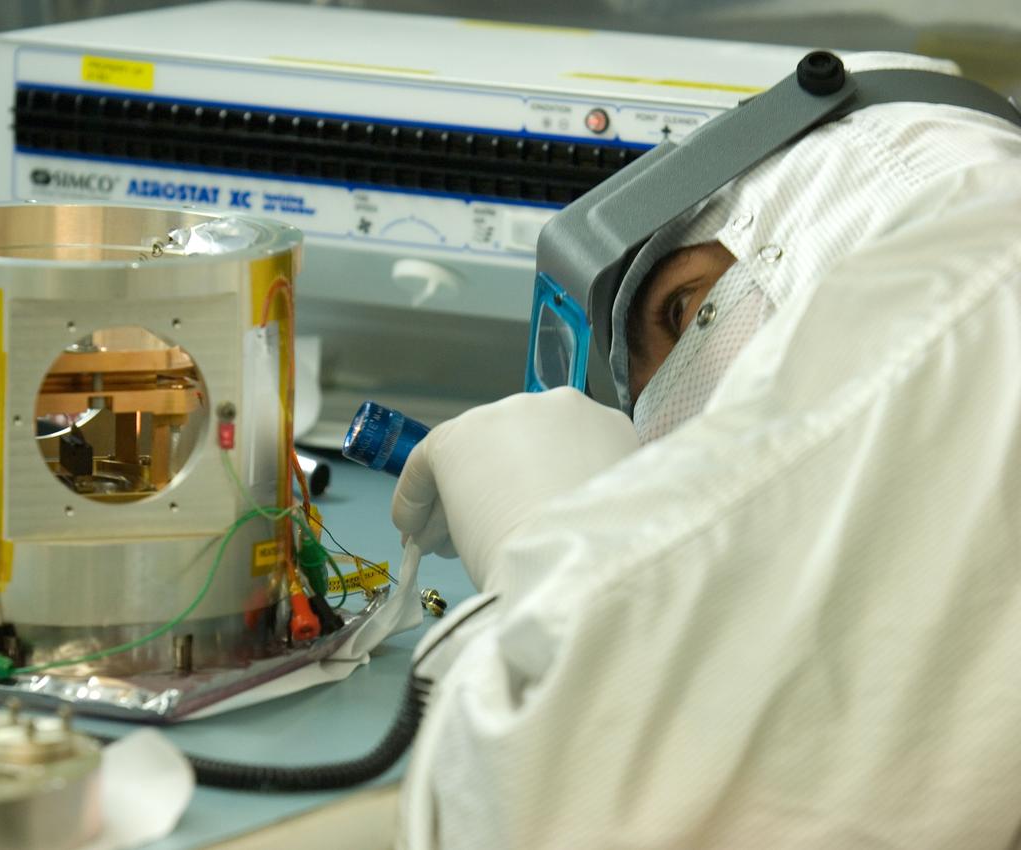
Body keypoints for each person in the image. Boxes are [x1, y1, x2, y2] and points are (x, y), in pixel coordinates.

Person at [390, 52, 1021, 849]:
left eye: (683, 313)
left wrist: (550, 565)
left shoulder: (969, 294)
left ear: (813, 214)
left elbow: (526, 802)